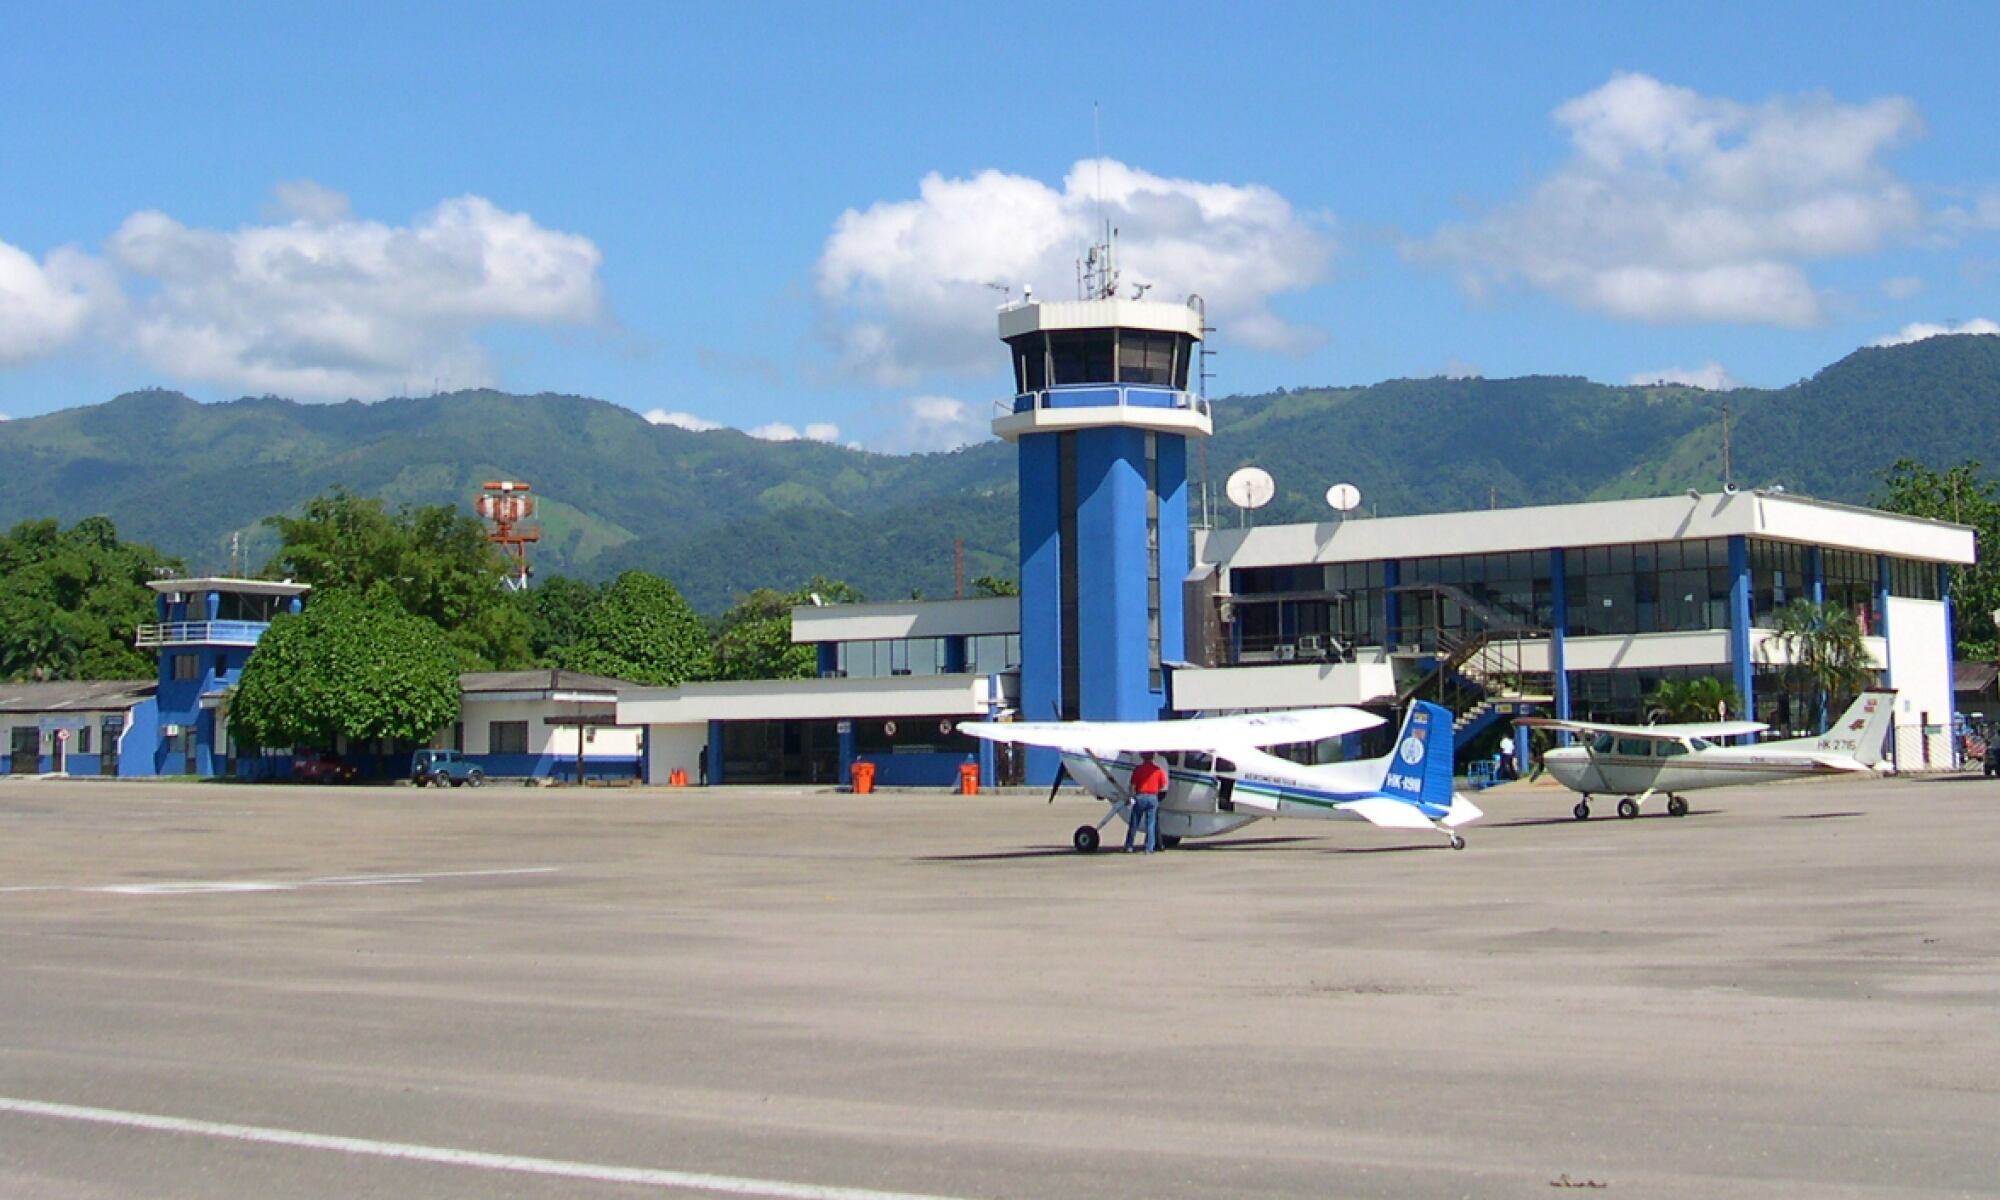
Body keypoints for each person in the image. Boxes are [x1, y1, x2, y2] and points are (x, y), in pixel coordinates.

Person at [1126, 753, 1167, 853]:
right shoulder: (1158, 770)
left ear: (1142, 757)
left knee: (1134, 823)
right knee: (1151, 824)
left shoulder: (1138, 769)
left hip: (1140, 796)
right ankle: (1149, 848)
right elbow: (1163, 785)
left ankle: (1129, 846)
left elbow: (1132, 785)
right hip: (1153, 797)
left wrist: (1131, 796)